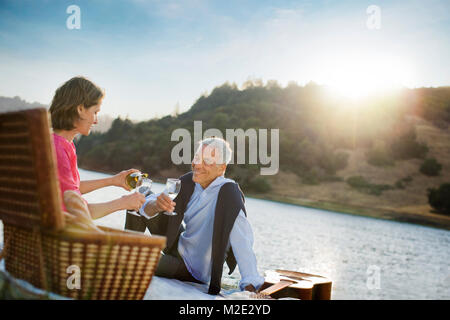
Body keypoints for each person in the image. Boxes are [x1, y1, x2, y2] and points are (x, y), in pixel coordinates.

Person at [125, 137, 265, 295]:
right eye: (197, 158)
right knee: (139, 198)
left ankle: (125, 256)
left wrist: (251, 285)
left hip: (191, 269)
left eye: (207, 161)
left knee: (133, 260)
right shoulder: (188, 182)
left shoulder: (228, 196)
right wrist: (156, 205)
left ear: (222, 168)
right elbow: (145, 206)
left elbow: (242, 242)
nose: (198, 164)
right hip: (177, 245)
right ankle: (126, 247)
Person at [49, 76, 145, 219]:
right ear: (80, 109)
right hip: (59, 238)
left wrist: (113, 180)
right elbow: (80, 214)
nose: (96, 120)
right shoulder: (58, 150)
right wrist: (124, 203)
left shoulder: (59, 143)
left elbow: (70, 190)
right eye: (95, 112)